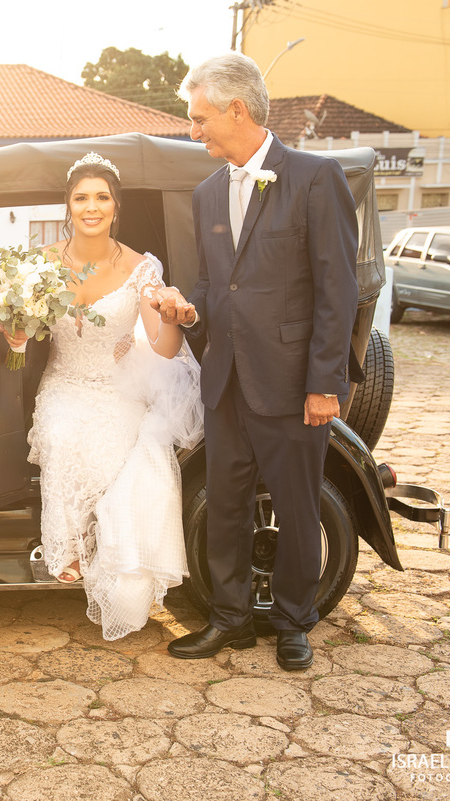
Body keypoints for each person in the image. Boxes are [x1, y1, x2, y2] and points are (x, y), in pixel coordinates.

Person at [155, 53, 358, 670]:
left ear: (235, 110)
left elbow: (337, 290)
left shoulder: (316, 178)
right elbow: (220, 289)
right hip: (227, 384)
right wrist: (192, 315)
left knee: (297, 506)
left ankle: (296, 622)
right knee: (226, 503)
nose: (193, 131)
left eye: (199, 118)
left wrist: (326, 383)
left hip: (296, 385)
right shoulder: (207, 193)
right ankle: (231, 619)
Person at [26, 153, 203, 641]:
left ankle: (109, 556)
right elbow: (19, 328)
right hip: (64, 380)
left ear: (115, 207)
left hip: (119, 386)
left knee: (118, 451)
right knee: (61, 435)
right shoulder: (40, 263)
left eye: (101, 197)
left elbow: (165, 349)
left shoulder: (142, 268)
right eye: (81, 197)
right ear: (67, 204)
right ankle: (70, 551)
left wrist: (171, 316)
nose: (91, 206)